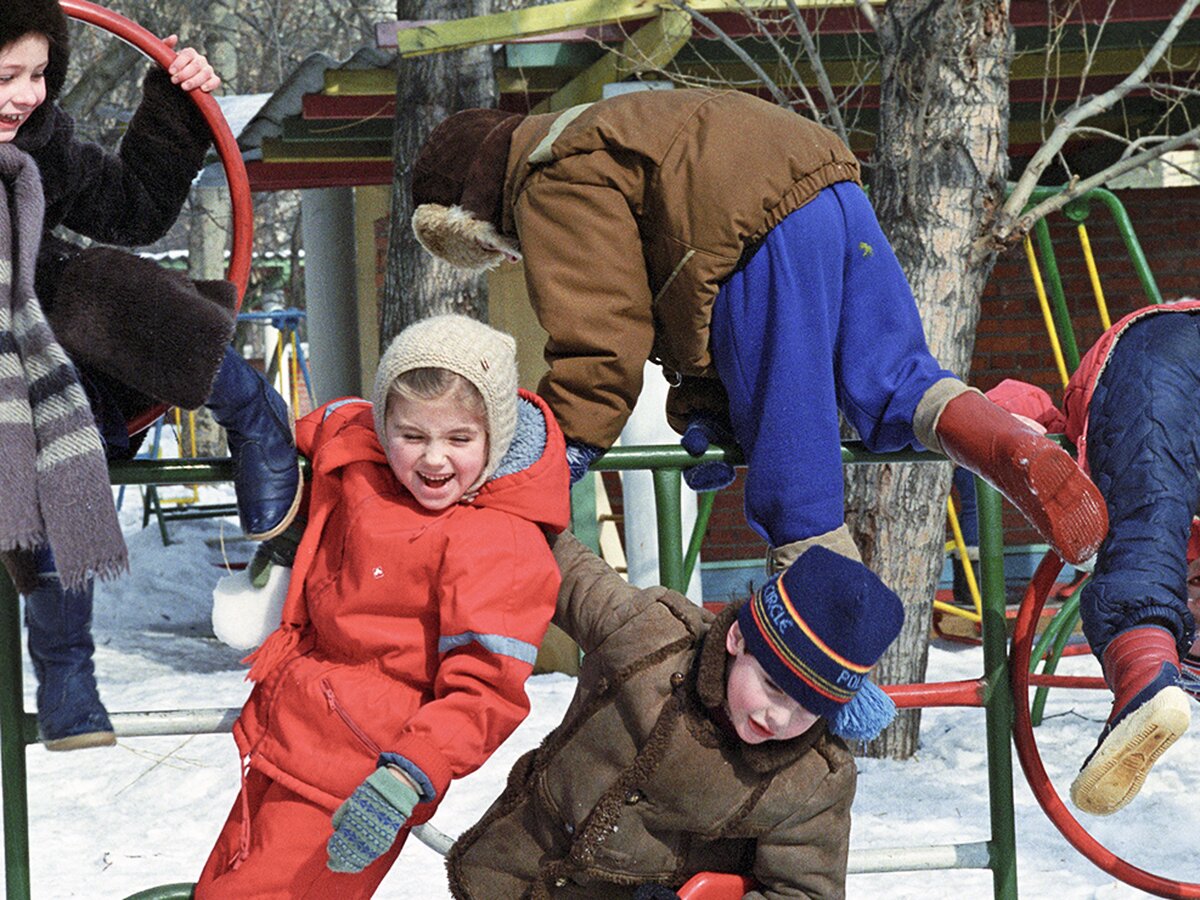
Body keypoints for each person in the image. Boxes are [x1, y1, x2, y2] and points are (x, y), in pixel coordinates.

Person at [407, 88, 1108, 578]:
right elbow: (678, 272)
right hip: (832, 184)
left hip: (756, 231)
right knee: (899, 381)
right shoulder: (613, 125)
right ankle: (1012, 446)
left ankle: (831, 672)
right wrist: (707, 408)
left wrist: (556, 450)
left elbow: (603, 329)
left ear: (474, 208)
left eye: (497, 247)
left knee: (793, 468)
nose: (509, 255)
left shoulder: (547, 175)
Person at [0, 0, 301, 750]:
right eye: (6, 76)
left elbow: (136, 208)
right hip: (17, 414)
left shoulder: (43, 144)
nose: (26, 94)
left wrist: (176, 104)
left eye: (39, 74)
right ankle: (66, 669)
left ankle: (252, 415)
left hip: (83, 382)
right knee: (37, 421)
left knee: (97, 280)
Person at [195, 314, 571, 898]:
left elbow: (485, 688)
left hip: (362, 778)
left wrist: (404, 777)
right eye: (412, 435)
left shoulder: (499, 542)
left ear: (495, 434)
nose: (434, 459)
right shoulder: (363, 457)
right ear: (383, 422)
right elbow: (318, 425)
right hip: (286, 732)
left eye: (460, 439)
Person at [446, 529, 903, 899]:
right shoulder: (650, 635)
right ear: (739, 640)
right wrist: (499, 498)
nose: (779, 719)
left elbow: (804, 893)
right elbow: (555, 564)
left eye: (807, 708)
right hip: (507, 870)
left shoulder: (813, 779)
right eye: (772, 686)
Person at [985, 298, 1200, 816]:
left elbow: (1024, 404)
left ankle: (1146, 669)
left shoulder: (1127, 519)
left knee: (1148, 498)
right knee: (1149, 498)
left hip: (1158, 361)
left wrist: (1008, 422)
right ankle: (1144, 669)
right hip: (1163, 346)